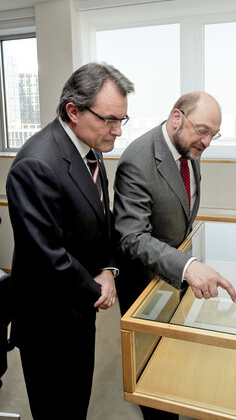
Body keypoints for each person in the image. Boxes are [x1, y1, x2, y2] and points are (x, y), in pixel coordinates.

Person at [6, 62, 134, 420]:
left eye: (122, 120)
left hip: (80, 309)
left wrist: (108, 269)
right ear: (73, 111)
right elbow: (49, 256)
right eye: (110, 119)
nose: (118, 131)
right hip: (49, 319)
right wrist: (98, 291)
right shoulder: (36, 164)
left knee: (77, 400)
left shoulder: (91, 149)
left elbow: (101, 219)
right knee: (56, 408)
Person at [113, 91, 236, 420]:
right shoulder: (137, 160)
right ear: (176, 118)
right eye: (203, 130)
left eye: (214, 134)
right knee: (154, 383)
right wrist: (187, 266)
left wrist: (186, 267)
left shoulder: (189, 148)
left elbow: (181, 212)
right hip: (145, 285)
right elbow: (131, 237)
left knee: (173, 367)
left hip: (174, 278)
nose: (207, 142)